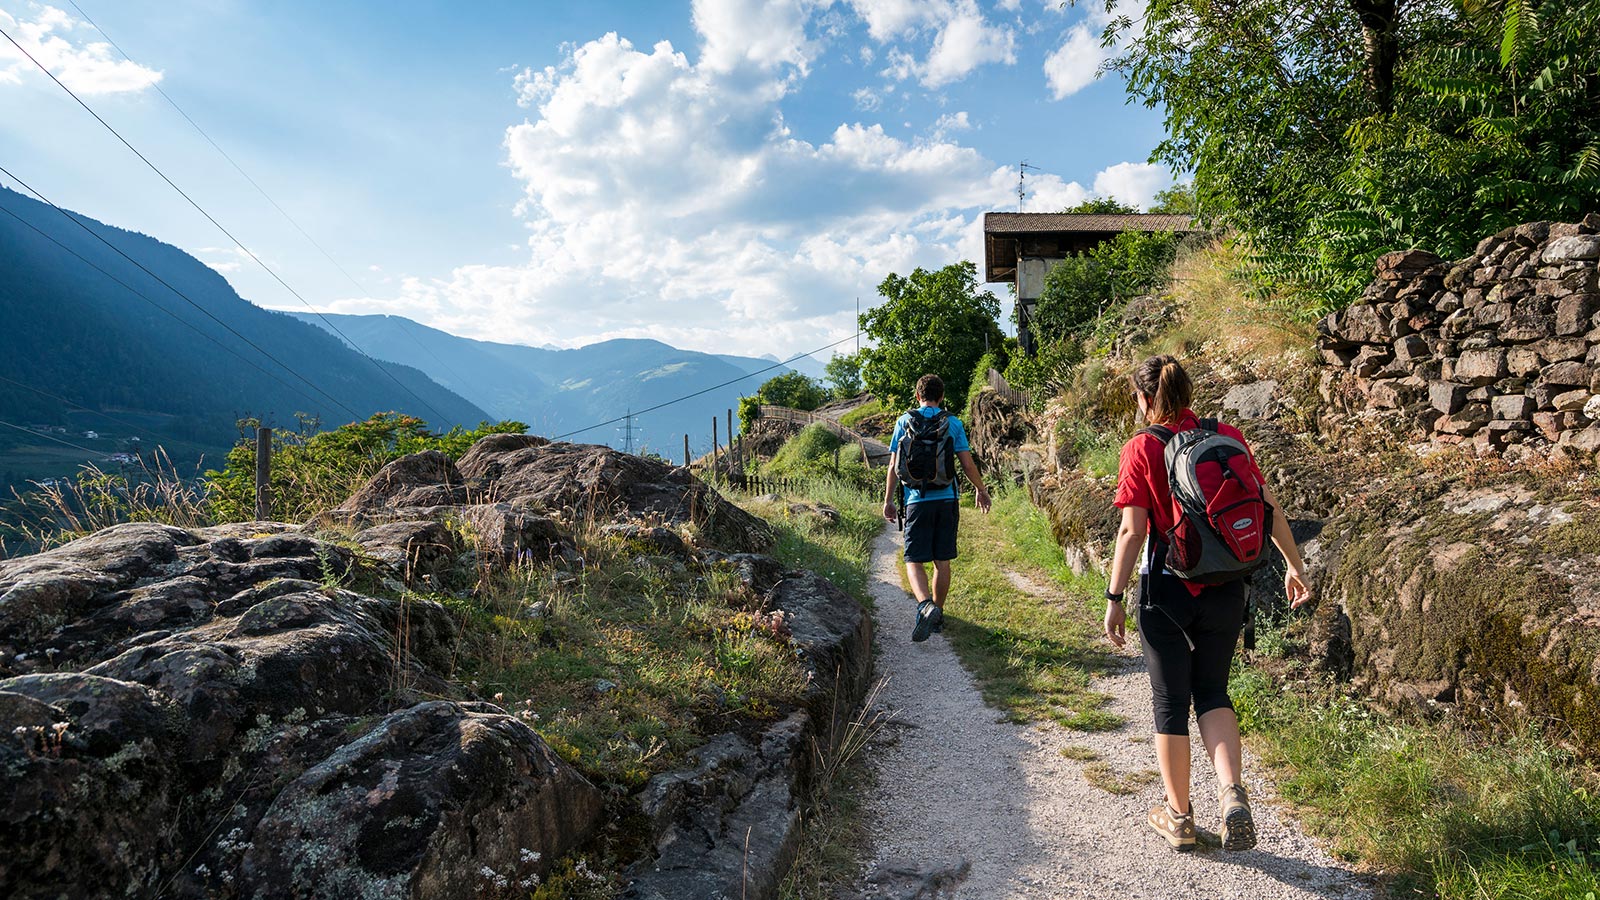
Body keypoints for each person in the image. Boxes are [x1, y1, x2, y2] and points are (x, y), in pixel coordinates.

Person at [1102, 355, 1311, 853]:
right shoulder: (1227, 437)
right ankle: (1231, 793)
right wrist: (1294, 564)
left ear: (1143, 397)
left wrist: (1113, 597)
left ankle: (1179, 818)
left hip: (1168, 591)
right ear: (1189, 392)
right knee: (1214, 690)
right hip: (1226, 586)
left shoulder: (1142, 447)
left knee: (1171, 703)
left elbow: (1132, 531)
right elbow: (1267, 506)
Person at [882, 374, 992, 642]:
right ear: (942, 397)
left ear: (917, 395)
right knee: (941, 562)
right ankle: (938, 613)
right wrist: (981, 489)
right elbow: (966, 464)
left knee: (913, 560)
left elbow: (893, 466)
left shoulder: (903, 422)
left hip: (916, 501)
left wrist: (888, 500)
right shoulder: (952, 423)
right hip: (947, 500)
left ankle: (925, 606)